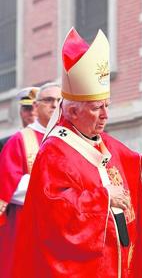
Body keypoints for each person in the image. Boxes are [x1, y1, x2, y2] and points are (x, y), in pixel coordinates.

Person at [12, 28, 142, 278]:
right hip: (87, 267)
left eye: (107, 105)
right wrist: (104, 197)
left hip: (120, 259)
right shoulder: (55, 151)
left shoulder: (105, 141)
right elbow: (54, 213)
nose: (106, 115)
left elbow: (135, 171)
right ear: (73, 112)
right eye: (97, 108)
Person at [0, 82, 61, 278]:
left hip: (62, 228)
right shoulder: (19, 140)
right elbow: (9, 186)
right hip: (28, 227)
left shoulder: (68, 138)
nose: (54, 105)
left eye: (59, 101)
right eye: (49, 100)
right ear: (37, 106)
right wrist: (55, 190)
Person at [0, 86, 39, 152]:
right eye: (28, 109)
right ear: (21, 112)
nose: (32, 113)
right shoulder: (5, 143)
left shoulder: (53, 139)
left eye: (37, 109)